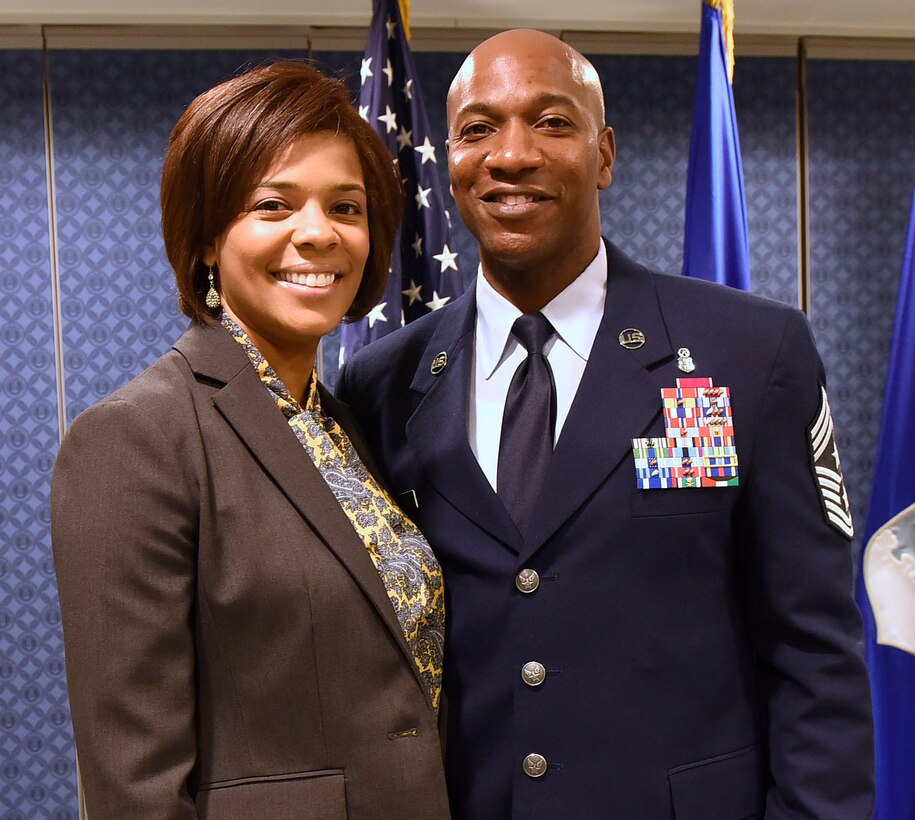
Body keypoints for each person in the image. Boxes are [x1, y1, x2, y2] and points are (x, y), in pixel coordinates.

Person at [337, 29, 874, 819]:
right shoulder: (383, 382)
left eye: (550, 123)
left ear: (605, 154)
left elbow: (814, 652)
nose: (510, 156)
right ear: (448, 163)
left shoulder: (747, 350)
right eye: (478, 129)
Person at [51, 60, 449, 819]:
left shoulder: (344, 425)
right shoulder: (136, 437)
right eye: (273, 205)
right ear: (206, 238)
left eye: (346, 207)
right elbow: (133, 784)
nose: (316, 233)